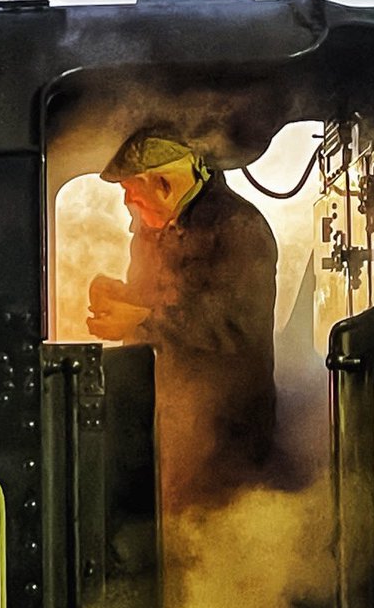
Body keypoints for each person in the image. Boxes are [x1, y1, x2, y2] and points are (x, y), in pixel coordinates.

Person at [87, 130, 277, 509]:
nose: (127, 203)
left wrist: (141, 320)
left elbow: (234, 326)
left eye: (130, 190)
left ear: (163, 183)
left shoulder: (239, 228)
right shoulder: (149, 231)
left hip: (227, 437)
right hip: (171, 426)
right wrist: (118, 298)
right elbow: (151, 301)